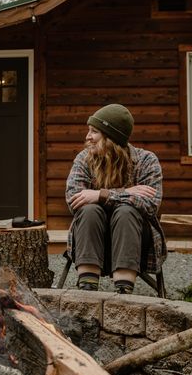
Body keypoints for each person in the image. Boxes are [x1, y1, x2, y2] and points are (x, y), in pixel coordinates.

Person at [65, 103, 167, 294]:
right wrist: (128, 193)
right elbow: (74, 198)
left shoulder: (146, 161)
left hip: (136, 241)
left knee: (126, 212)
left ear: (111, 137)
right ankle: (86, 289)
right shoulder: (84, 159)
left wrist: (101, 195)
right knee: (88, 210)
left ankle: (123, 291)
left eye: (94, 132)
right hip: (92, 239)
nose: (88, 137)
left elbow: (151, 205)